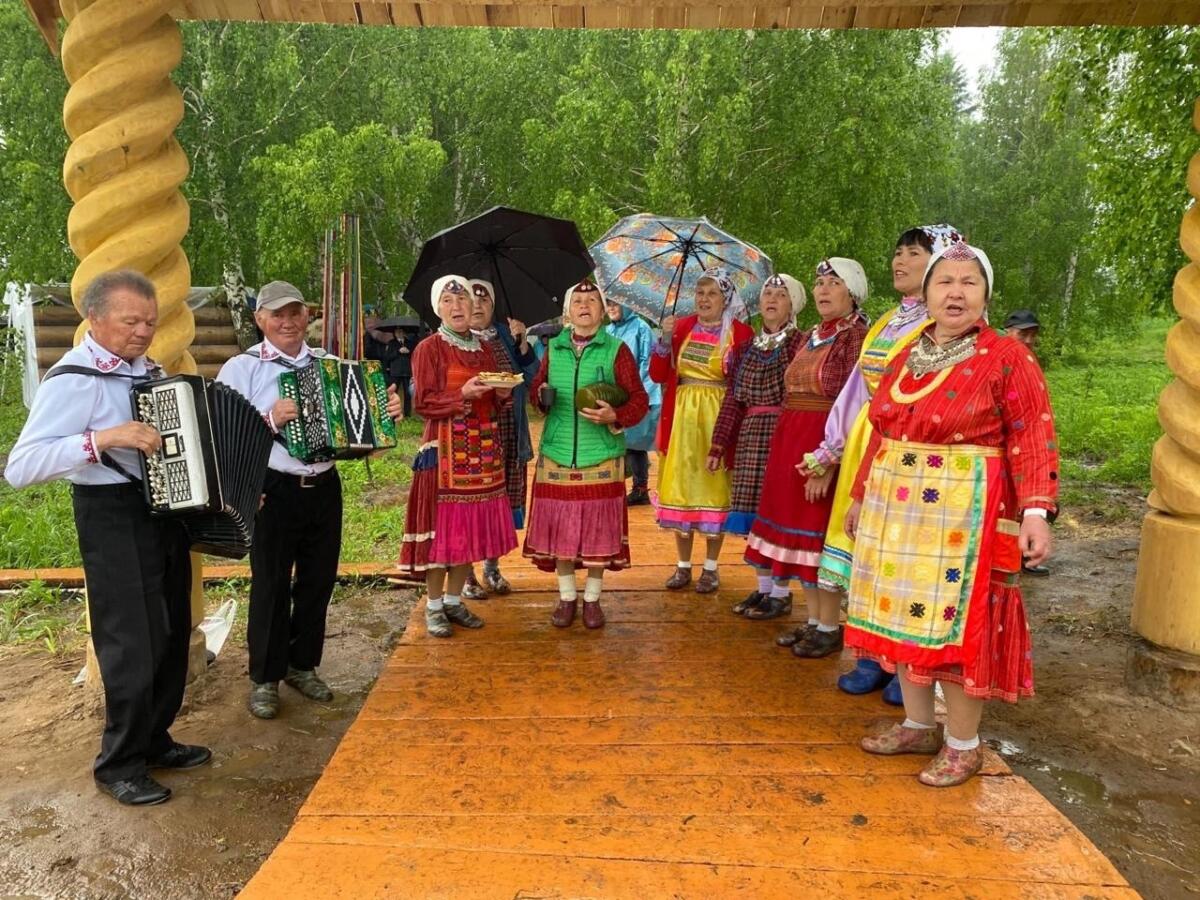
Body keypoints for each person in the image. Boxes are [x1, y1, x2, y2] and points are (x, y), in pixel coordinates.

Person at [844, 241, 1058, 787]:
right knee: (902, 614)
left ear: (986, 294)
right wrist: (861, 494)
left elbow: (1033, 434)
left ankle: (964, 744)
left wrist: (1036, 511)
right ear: (928, 292)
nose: (955, 292)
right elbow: (883, 430)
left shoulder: (1007, 356)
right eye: (945, 281)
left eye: (969, 282)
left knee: (958, 628)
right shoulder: (909, 351)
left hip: (966, 514)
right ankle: (919, 725)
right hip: (897, 509)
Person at [6, 270, 208, 806]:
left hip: (162, 511)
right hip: (112, 516)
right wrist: (103, 439)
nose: (143, 331)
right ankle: (118, 763)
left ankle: (155, 739)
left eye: (150, 322)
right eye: (130, 321)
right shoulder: (73, 379)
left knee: (169, 632)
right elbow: (21, 467)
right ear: (94, 319)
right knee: (130, 643)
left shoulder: (150, 371)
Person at [217, 281, 404, 719]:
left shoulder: (329, 364)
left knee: (318, 580)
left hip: (323, 486)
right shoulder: (242, 368)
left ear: (307, 316)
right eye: (277, 314)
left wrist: (385, 413)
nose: (287, 322)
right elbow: (223, 435)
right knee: (270, 583)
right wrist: (269, 419)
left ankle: (302, 665)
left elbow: (362, 430)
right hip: (272, 487)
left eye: (295, 313)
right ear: (260, 319)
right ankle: (265, 677)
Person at [803, 225, 962, 701]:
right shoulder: (890, 321)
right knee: (867, 553)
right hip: (867, 443)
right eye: (897, 252)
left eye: (913, 253)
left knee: (904, 557)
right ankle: (871, 656)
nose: (900, 261)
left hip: (913, 452)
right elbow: (857, 388)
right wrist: (830, 449)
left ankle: (906, 665)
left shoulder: (946, 324)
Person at [741, 261, 869, 642]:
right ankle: (814, 621)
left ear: (853, 292)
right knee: (796, 537)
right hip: (791, 441)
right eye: (819, 282)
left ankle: (829, 626)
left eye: (834, 283)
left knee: (816, 533)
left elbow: (853, 402)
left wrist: (828, 463)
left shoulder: (855, 337)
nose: (823, 290)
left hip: (822, 440)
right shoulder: (813, 334)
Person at [397, 275, 518, 637]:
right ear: (438, 308)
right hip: (445, 452)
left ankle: (453, 601)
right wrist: (461, 394)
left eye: (462, 299)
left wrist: (501, 393)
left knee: (471, 529)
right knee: (444, 532)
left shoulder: (483, 348)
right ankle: (433, 606)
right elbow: (423, 403)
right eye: (448, 301)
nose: (457, 306)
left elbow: (496, 397)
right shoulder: (429, 348)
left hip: (483, 449)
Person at [524, 281, 650, 628]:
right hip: (557, 452)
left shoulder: (617, 350)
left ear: (602, 310)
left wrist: (615, 416)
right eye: (577, 300)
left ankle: (592, 600)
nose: (584, 305)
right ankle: (567, 597)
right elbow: (536, 390)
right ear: (568, 311)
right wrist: (540, 394)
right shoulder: (554, 348)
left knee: (599, 533)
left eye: (592, 300)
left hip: (601, 456)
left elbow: (639, 400)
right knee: (560, 530)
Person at [652, 267, 754, 593]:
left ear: (726, 299)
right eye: (700, 293)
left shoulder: (741, 333)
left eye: (712, 293)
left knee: (714, 488)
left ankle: (711, 567)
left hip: (718, 416)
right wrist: (663, 340)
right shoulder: (681, 327)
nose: (704, 299)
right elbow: (657, 375)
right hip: (681, 418)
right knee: (681, 486)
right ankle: (682, 565)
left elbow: (743, 382)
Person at [710, 273, 807, 599]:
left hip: (784, 435)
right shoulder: (745, 348)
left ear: (793, 304)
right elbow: (733, 402)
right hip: (751, 438)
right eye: (767, 293)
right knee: (755, 520)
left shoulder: (801, 344)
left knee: (778, 514)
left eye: (781, 294)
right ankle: (763, 589)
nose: (771, 299)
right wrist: (718, 444)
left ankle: (780, 593)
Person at [461, 279, 540, 599]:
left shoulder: (508, 335)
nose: (478, 305)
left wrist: (523, 347)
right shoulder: (456, 341)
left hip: (508, 435)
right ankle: (466, 574)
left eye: (485, 300)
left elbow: (534, 379)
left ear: (494, 307)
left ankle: (492, 569)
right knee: (470, 507)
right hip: (470, 439)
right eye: (472, 299)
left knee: (501, 507)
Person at [1003, 309, 1050, 575]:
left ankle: (1025, 555)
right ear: (1008, 331)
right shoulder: (997, 357)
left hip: (1027, 440)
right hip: (1004, 446)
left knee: (1031, 500)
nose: (1029, 340)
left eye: (1033, 334)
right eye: (1023, 334)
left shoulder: (1027, 358)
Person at [605, 299, 662, 505]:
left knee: (636, 444)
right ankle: (617, 487)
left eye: (616, 304)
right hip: (614, 398)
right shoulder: (607, 331)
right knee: (619, 443)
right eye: (608, 304)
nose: (611, 308)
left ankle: (640, 488)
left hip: (637, 395)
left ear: (627, 305)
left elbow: (647, 363)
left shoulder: (641, 328)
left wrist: (639, 395)